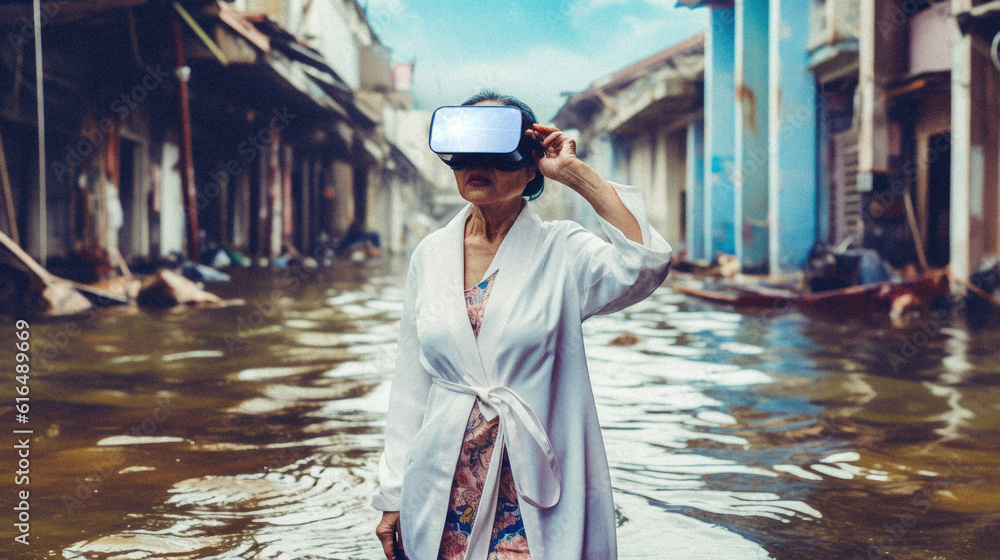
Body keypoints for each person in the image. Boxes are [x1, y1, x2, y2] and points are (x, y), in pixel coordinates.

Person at [372, 91, 672, 560]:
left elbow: (646, 263)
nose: (477, 163)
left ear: (531, 165)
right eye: (466, 150)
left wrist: (576, 176)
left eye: (496, 151)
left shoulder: (564, 251)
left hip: (531, 483)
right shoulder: (430, 254)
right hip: (444, 479)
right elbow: (411, 386)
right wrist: (392, 495)